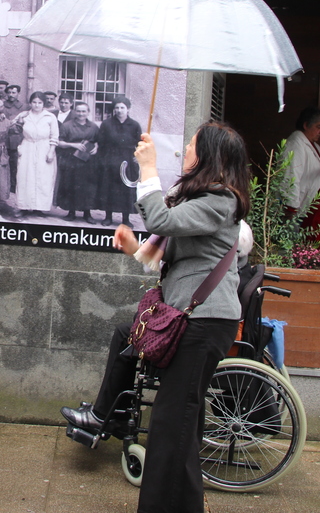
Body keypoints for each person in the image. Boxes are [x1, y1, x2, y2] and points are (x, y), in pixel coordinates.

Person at [61, 122, 250, 513]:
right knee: (179, 426)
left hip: (204, 322)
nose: (186, 149)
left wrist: (148, 167)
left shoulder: (221, 201)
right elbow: (168, 256)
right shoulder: (204, 199)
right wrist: (135, 247)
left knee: (171, 426)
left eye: (192, 145)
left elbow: (161, 221)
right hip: (194, 319)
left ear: (210, 156)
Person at [95, 95, 142, 226]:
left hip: (127, 160)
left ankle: (125, 219)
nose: (119, 110)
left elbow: (140, 143)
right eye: (117, 108)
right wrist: (103, 159)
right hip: (110, 159)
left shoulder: (134, 125)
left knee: (126, 190)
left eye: (122, 107)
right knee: (108, 188)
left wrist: (138, 156)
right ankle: (108, 217)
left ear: (128, 109)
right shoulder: (106, 124)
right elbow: (101, 143)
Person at [12, 92, 59, 215]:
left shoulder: (50, 117)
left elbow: (54, 135)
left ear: (43, 104)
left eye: (39, 103)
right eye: (34, 102)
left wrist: (51, 151)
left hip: (44, 147)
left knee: (43, 178)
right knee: (25, 177)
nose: (36, 105)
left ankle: (40, 207)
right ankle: (24, 207)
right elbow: (12, 128)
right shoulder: (24, 115)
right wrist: (19, 121)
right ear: (30, 103)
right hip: (28, 146)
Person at [55, 101, 99, 222]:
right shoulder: (67, 126)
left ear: (88, 112)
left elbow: (98, 140)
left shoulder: (94, 127)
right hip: (71, 159)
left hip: (88, 161)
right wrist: (73, 145)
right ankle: (71, 212)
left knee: (87, 187)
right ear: (74, 112)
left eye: (83, 111)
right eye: (78, 111)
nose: (81, 114)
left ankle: (87, 213)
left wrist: (96, 147)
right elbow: (59, 142)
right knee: (71, 185)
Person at [280, 107, 320, 212]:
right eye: (319, 127)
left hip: (310, 208)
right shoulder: (295, 145)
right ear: (306, 125)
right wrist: (290, 207)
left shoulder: (314, 145)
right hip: (298, 210)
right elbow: (290, 176)